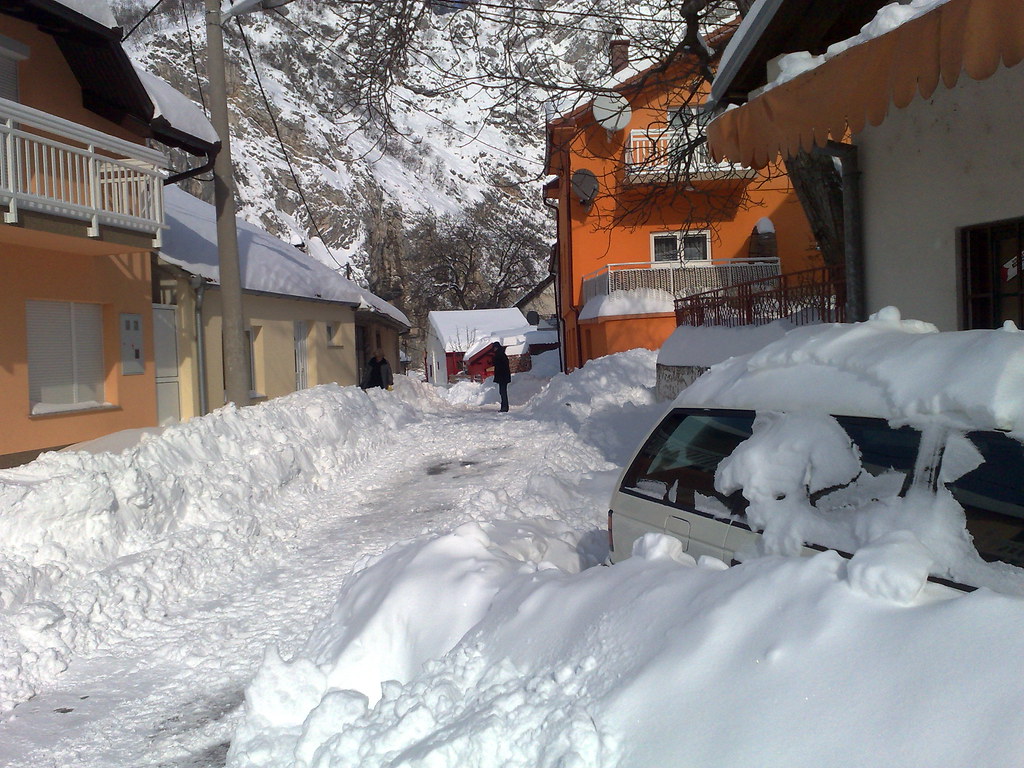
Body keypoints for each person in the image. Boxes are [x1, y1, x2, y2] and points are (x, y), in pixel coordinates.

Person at [489, 341, 511, 412]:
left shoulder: (499, 355)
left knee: (502, 392)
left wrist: (492, 361)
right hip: (504, 377)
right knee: (503, 392)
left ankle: (504, 407)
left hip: (502, 377)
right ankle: (504, 407)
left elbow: (498, 365)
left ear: (496, 347)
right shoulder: (502, 354)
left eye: (494, 348)